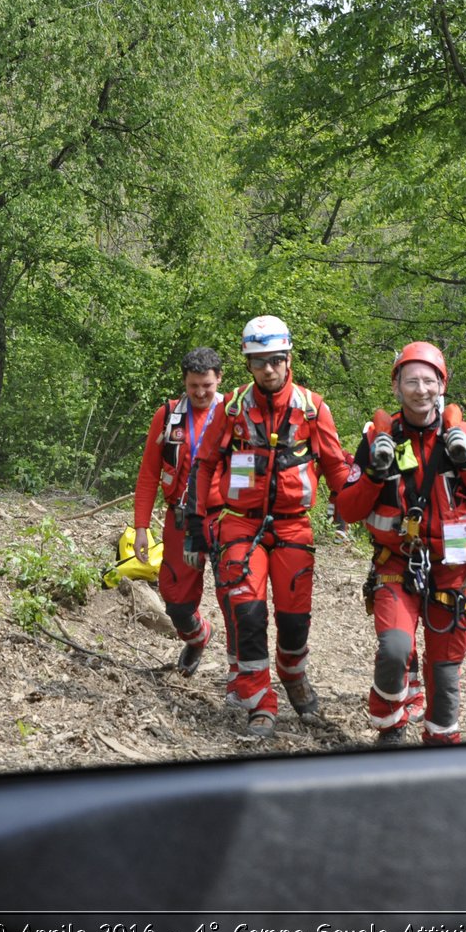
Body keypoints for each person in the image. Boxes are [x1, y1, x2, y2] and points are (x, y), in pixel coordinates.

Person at [337, 342, 466, 747]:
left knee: (446, 670)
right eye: (411, 381)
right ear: (396, 386)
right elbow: (347, 507)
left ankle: (441, 746)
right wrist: (374, 476)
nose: (420, 389)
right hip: (398, 562)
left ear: (442, 385)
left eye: (428, 380)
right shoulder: (379, 438)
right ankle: (390, 723)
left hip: (455, 566)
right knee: (395, 648)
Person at [190, 316, 350, 739]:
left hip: (294, 527)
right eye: (258, 361)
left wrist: (349, 507)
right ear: (248, 364)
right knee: (248, 612)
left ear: (288, 358)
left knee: (295, 620)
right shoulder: (232, 408)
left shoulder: (312, 408)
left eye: (275, 360)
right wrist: (194, 518)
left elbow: (336, 465)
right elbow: (205, 463)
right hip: (240, 525)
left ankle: (293, 675)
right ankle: (259, 700)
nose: (268, 369)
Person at [131, 347, 226, 676]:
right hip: (182, 518)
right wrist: (141, 527)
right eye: (193, 386)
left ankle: (246, 677)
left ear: (219, 380)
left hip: (226, 519)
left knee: (238, 598)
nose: (200, 393)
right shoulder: (168, 415)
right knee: (176, 603)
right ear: (184, 383)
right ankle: (198, 636)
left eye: (207, 386)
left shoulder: (234, 415)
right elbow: (148, 474)